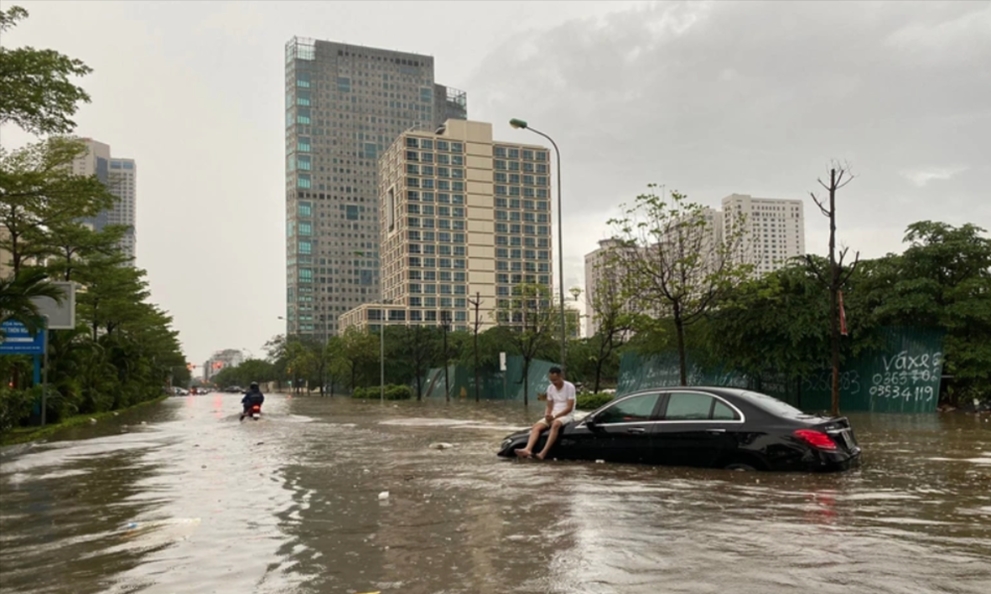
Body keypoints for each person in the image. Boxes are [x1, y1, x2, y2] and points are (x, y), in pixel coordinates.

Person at [515, 367, 576, 460]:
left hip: (566, 415)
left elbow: (569, 408)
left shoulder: (569, 387)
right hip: (553, 414)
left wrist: (555, 416)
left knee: (555, 424)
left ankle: (543, 453)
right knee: (536, 426)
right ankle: (528, 449)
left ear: (561, 376)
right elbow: (549, 405)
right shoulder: (550, 388)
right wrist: (547, 414)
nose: (554, 383)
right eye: (551, 380)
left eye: (555, 380)